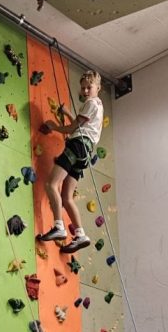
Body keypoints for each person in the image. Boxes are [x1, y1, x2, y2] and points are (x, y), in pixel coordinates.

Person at [38, 70, 104, 253]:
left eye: (89, 87)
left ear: (98, 87)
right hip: (85, 153)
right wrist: (67, 112)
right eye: (83, 88)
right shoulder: (98, 106)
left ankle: (59, 226)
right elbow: (80, 127)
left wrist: (54, 127)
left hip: (77, 147)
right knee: (67, 197)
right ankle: (81, 234)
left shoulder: (91, 103)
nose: (85, 91)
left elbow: (72, 129)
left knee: (51, 184)